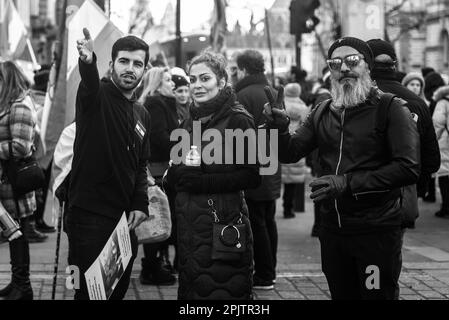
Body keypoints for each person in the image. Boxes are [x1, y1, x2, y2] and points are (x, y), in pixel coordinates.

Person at [265, 37, 420, 300]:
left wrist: (347, 182)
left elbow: (407, 168)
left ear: (368, 66)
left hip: (375, 232)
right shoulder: (323, 111)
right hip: (334, 231)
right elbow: (290, 153)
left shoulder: (391, 108)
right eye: (336, 63)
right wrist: (279, 128)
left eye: (352, 61)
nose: (344, 68)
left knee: (374, 296)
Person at [166, 50, 261, 300]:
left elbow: (251, 177)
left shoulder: (239, 120)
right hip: (190, 231)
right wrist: (176, 174)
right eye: (193, 79)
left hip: (223, 226)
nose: (197, 85)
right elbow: (178, 168)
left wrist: (202, 182)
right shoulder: (190, 121)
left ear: (221, 82)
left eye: (204, 79)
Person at [66, 29, 151, 300]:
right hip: (88, 217)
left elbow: (140, 165)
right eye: (124, 61)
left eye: (137, 63)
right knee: (88, 293)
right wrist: (88, 62)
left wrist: (140, 203)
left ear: (145, 69)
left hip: (125, 222)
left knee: (116, 292)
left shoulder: (142, 113)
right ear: (112, 64)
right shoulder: (96, 96)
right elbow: (89, 83)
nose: (130, 69)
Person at [367, 39, 440, 215]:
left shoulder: (358, 100)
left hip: (363, 196)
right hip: (404, 193)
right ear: (394, 63)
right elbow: (431, 157)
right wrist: (418, 186)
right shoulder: (417, 102)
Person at [234, 49, 281, 290]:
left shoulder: (241, 94)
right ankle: (269, 270)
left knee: (257, 222)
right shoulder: (272, 91)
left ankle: (263, 273)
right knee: (268, 219)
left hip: (252, 166)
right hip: (271, 164)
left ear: (243, 69)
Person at [0, 61, 37, 300]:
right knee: (14, 236)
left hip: (16, 186)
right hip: (7, 185)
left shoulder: (20, 106)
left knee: (19, 235)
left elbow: (21, 147)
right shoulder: (7, 105)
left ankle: (23, 287)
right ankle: (17, 282)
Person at [138, 67, 177, 286]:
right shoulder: (155, 103)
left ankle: (157, 264)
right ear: (158, 83)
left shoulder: (162, 102)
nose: (173, 83)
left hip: (161, 167)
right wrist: (182, 139)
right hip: (158, 169)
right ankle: (152, 266)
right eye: (168, 80)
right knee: (157, 216)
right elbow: (160, 138)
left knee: (160, 216)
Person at [281, 83, 310, 219]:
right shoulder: (303, 108)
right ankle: (289, 208)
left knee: (282, 176)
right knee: (292, 181)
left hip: (282, 142)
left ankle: (283, 204)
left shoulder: (281, 105)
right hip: (296, 144)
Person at [423, 72, 446, 203]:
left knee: (439, 172)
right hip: (444, 139)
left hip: (439, 139)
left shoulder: (436, 100)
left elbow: (436, 123)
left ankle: (433, 196)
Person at [431, 83, 449, 218]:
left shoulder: (443, 101)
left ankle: (446, 207)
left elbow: (438, 122)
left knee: (444, 173)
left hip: (445, 142)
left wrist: (434, 139)